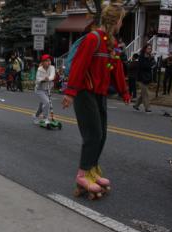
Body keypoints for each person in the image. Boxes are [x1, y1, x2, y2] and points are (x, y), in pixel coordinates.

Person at [61, 0, 130, 197]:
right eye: (121, 21)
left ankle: (92, 169)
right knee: (93, 134)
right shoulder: (93, 39)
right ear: (115, 21)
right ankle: (82, 174)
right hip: (84, 92)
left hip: (99, 94)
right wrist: (70, 93)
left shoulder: (113, 43)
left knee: (102, 135)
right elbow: (79, 66)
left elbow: (116, 69)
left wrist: (124, 92)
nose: (122, 24)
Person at [33, 54, 55, 124]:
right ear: (43, 62)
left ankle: (35, 116)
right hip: (39, 90)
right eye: (47, 61)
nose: (49, 62)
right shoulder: (40, 69)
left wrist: (48, 78)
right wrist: (43, 79)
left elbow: (52, 76)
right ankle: (45, 118)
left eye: (49, 61)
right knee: (47, 103)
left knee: (42, 106)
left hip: (47, 89)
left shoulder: (52, 68)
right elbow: (37, 80)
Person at [133, 44, 155, 113]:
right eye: (148, 48)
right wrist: (150, 62)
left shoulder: (150, 57)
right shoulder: (141, 57)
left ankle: (136, 105)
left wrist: (151, 61)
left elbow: (154, 64)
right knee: (145, 93)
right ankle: (147, 108)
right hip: (141, 77)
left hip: (147, 77)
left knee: (143, 93)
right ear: (145, 49)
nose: (150, 50)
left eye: (150, 48)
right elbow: (144, 66)